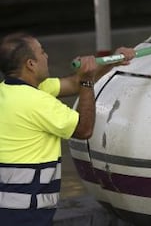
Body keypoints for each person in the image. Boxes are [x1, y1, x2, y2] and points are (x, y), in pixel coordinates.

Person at [0, 32, 135, 226]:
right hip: (25, 213)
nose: (47, 57)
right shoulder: (37, 102)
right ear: (31, 64)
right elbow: (84, 129)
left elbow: (73, 83)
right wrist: (87, 81)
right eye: (42, 52)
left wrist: (111, 61)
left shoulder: (10, 91)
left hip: (7, 206)